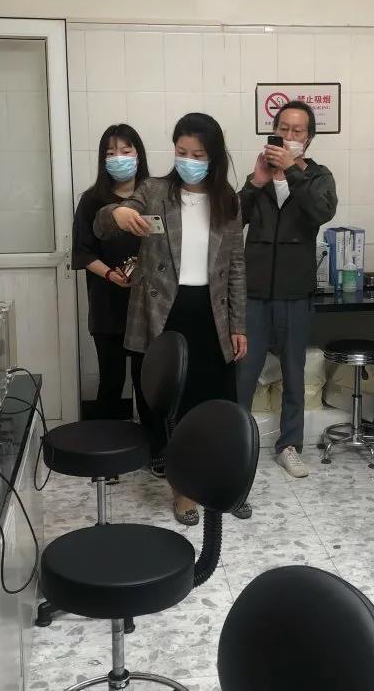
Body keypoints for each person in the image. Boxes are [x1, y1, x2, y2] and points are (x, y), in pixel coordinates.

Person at [94, 112, 249, 525]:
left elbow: (236, 265)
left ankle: (224, 482)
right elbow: (104, 224)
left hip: (213, 314)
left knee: (220, 403)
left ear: (214, 157)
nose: (188, 161)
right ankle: (184, 490)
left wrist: (238, 325)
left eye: (198, 155)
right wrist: (116, 214)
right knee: (175, 407)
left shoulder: (227, 199)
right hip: (167, 313)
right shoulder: (154, 190)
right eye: (182, 152)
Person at [236, 101, 337, 479]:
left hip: (295, 291)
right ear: (274, 130)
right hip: (255, 292)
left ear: (308, 138)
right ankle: (235, 441)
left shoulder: (318, 176)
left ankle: (289, 446)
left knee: (294, 373)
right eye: (284, 128)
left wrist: (292, 170)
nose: (290, 135)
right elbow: (231, 219)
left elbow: (322, 212)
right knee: (244, 373)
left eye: (298, 130)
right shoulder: (258, 174)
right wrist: (256, 182)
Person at [72, 124, 151, 426]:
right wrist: (109, 275)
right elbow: (82, 252)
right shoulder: (92, 201)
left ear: (138, 155)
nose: (119, 158)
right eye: (110, 153)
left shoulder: (154, 196)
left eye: (125, 151)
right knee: (111, 380)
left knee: (147, 382)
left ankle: (152, 443)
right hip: (107, 303)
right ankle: (105, 445)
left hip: (147, 305)